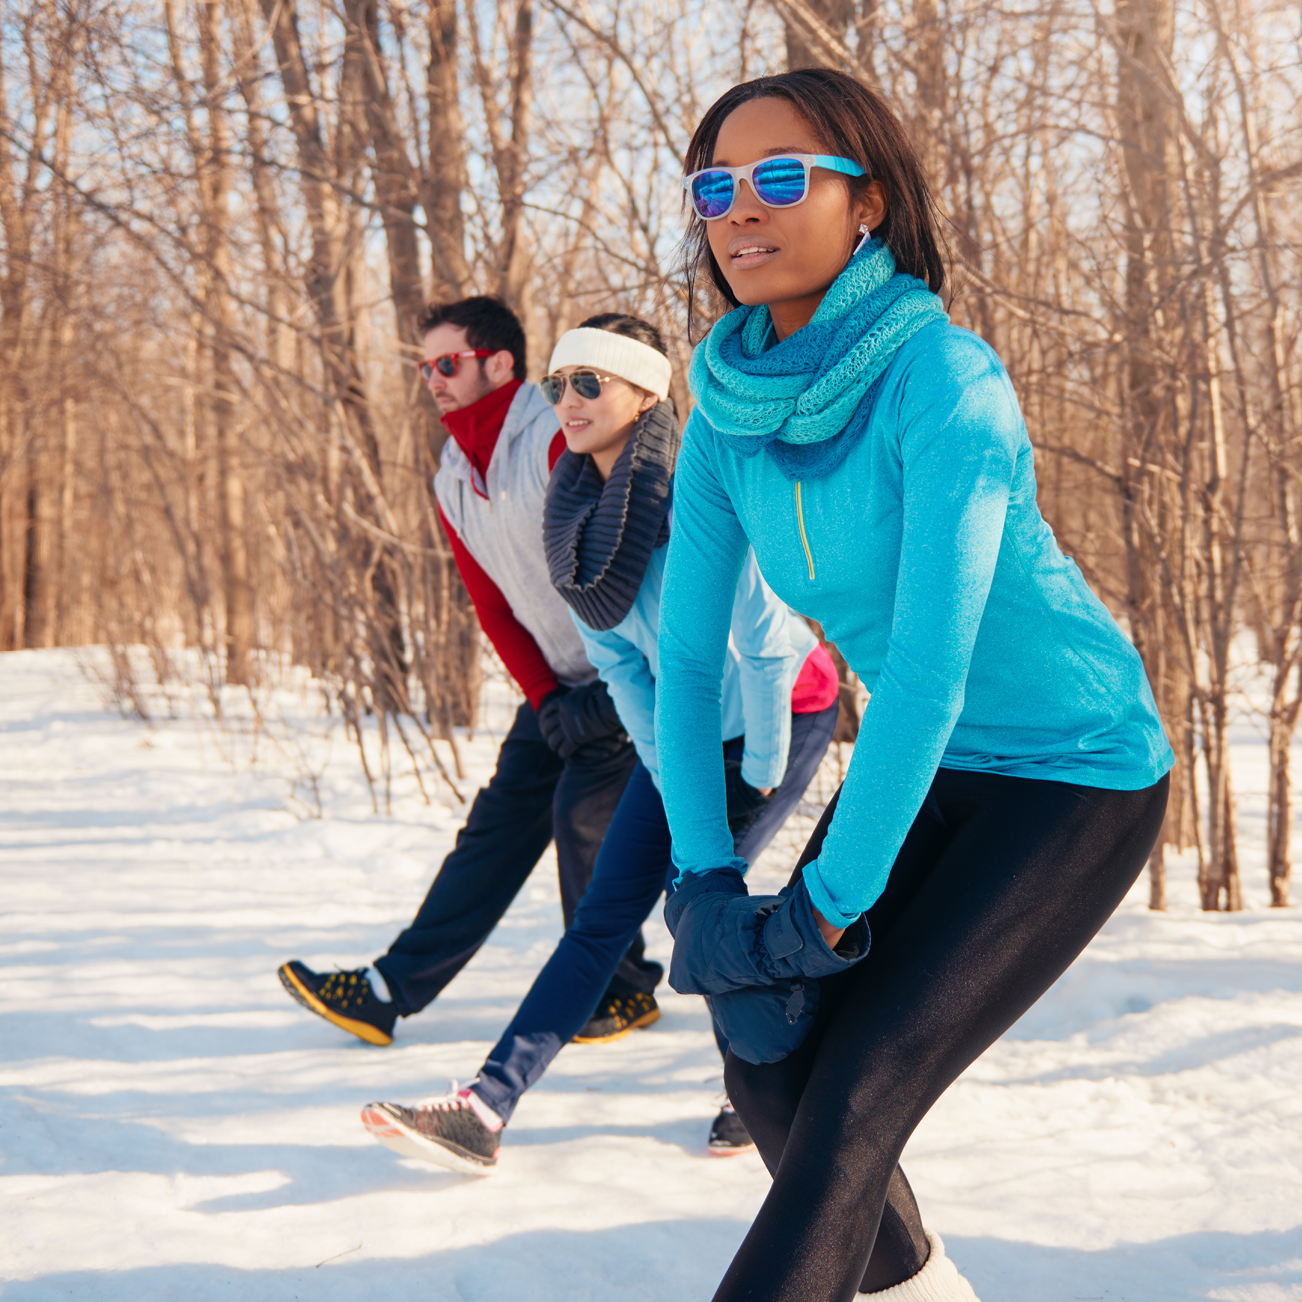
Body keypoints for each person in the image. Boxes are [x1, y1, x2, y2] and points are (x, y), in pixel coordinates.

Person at [654, 70, 1174, 1302]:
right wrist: (702, 878)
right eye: (716, 187)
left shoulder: (945, 380)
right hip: (935, 761)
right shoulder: (729, 410)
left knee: (853, 1099)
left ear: (868, 205)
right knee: (767, 1069)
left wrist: (823, 908)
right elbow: (686, 659)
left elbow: (933, 671)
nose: (741, 210)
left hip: (1076, 772)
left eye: (783, 178)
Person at [357, 313, 841, 1171]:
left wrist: (759, 771)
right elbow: (615, 658)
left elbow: (766, 644)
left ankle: (769, 1087)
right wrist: (664, 769)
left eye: (591, 383)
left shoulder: (702, 493)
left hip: (779, 714)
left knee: (704, 907)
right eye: (558, 384)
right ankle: (485, 1106)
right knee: (601, 919)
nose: (568, 402)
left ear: (647, 393)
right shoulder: (573, 515)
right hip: (686, 726)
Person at [278, 295, 660, 1048]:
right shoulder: (453, 471)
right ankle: (388, 992)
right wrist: (547, 699)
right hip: (560, 684)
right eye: (426, 369)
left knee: (583, 824)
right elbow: (492, 604)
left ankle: (624, 989)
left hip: (631, 671)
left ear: (501, 364)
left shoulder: (560, 432)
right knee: (492, 831)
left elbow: (628, 554)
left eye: (447, 364)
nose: (434, 381)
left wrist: (610, 689)